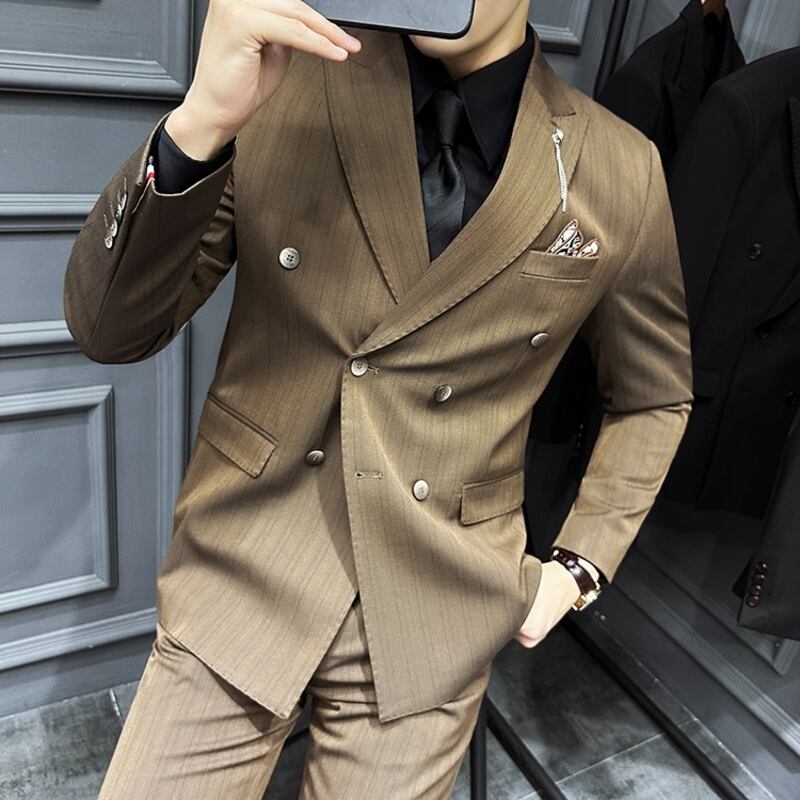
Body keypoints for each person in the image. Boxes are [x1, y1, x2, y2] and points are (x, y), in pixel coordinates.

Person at [62, 0, 693, 797]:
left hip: (440, 603)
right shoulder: (287, 79)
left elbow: (655, 395)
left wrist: (582, 562)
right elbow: (109, 329)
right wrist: (200, 124)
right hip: (245, 563)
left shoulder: (620, 167)